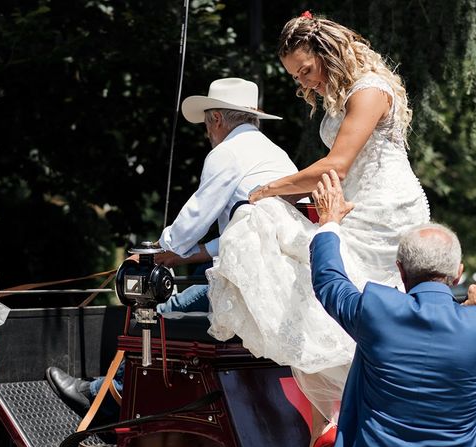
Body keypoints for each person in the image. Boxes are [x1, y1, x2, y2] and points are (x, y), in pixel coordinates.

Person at [205, 12, 429, 447]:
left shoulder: (368, 90)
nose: (304, 82)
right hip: (352, 208)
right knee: (314, 285)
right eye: (295, 76)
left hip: (385, 213)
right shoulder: (345, 93)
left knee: (319, 282)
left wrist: (268, 189)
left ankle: (364, 418)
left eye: (307, 70)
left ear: (328, 52)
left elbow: (336, 166)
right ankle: (332, 438)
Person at [46, 77, 298, 418]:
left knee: (157, 319)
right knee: (179, 302)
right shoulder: (275, 155)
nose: (207, 132)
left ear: (216, 119)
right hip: (278, 284)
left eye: (207, 123)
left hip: (252, 285)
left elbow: (197, 214)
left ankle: (105, 398)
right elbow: (252, 232)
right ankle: (111, 390)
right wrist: (188, 254)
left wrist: (157, 251)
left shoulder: (228, 153)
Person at [309, 170, 476, 447]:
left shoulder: (377, 310)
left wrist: (329, 222)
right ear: (458, 273)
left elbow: (329, 283)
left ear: (400, 270)